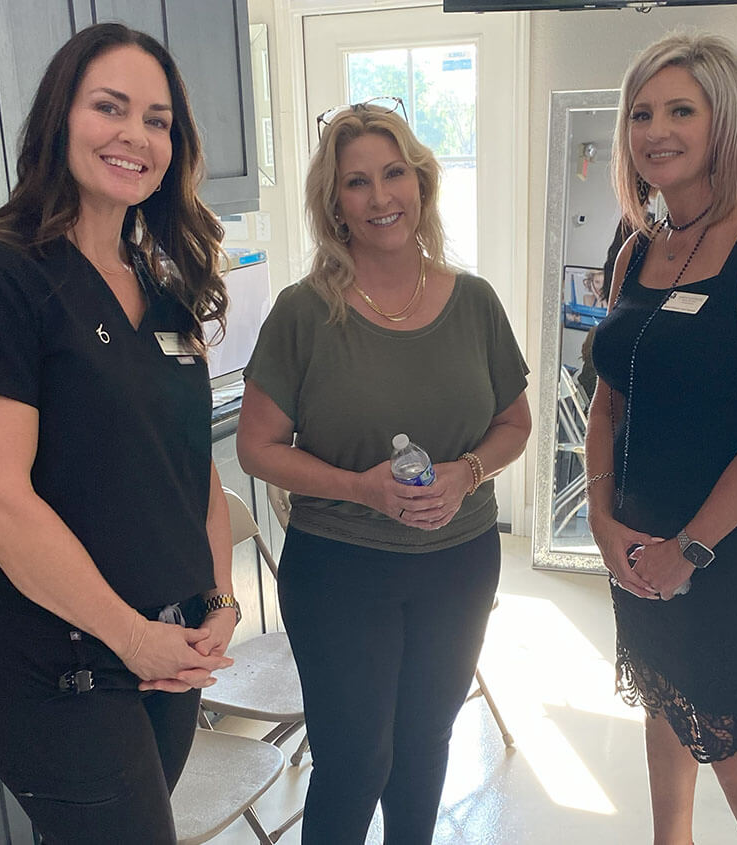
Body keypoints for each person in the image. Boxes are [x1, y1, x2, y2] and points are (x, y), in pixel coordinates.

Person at [0, 23, 239, 844]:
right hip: (56, 664)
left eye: (159, 119)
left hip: (163, 650)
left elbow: (190, 468)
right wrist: (133, 637)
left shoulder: (163, 281)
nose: (137, 135)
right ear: (61, 118)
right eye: (111, 107)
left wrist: (220, 597)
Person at [236, 98, 530, 845]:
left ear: (421, 183)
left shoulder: (475, 303)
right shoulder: (303, 314)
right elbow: (258, 447)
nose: (380, 197)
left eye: (393, 173)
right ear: (334, 204)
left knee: (426, 746)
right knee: (355, 760)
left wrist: (467, 472)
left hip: (459, 563)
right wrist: (360, 487)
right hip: (340, 568)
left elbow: (515, 423)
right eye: (356, 182)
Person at [586, 32, 737, 844]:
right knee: (659, 693)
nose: (656, 130)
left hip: (726, 542)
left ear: (724, 122)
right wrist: (602, 515)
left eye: (681, 109)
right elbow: (607, 403)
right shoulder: (637, 249)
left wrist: (689, 546)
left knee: (730, 736)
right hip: (638, 530)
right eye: (642, 113)